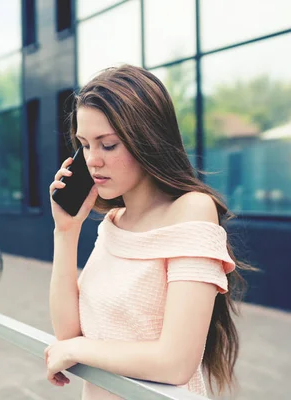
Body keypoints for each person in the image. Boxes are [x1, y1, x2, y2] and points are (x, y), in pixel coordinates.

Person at [46, 65, 253, 399]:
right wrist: (65, 232)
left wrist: (79, 350)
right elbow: (67, 332)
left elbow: (176, 362)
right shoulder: (113, 223)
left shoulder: (192, 209)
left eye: (108, 145)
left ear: (147, 140)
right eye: (84, 145)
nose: (92, 161)